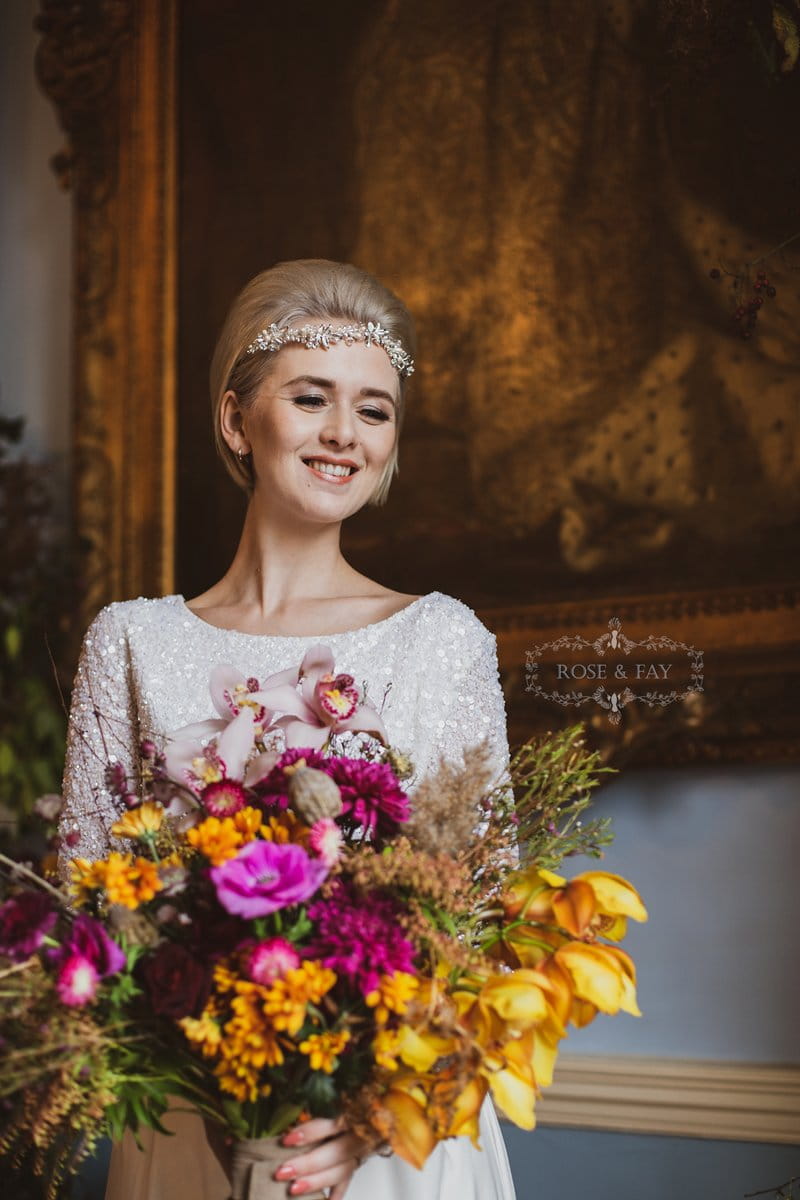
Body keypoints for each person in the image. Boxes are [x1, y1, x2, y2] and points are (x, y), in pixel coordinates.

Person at [59, 259, 517, 1200]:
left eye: (375, 410)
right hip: (190, 1126)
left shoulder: (442, 638)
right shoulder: (131, 644)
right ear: (236, 418)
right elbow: (90, 923)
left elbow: (490, 929)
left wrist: (377, 1114)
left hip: (384, 1138)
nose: (344, 433)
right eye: (311, 399)